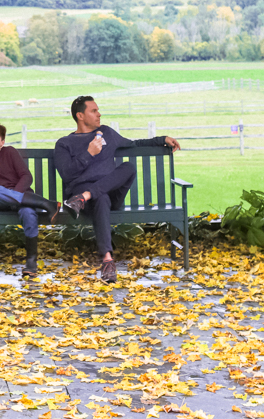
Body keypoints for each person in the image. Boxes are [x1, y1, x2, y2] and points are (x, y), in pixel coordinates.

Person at [53, 96, 181, 283]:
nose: (99, 114)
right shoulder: (64, 143)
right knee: (101, 198)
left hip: (106, 195)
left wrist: (163, 139)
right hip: (89, 202)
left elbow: (134, 144)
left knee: (128, 167)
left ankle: (85, 196)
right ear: (80, 115)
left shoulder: (107, 133)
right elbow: (66, 174)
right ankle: (107, 260)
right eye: (93, 111)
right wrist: (89, 154)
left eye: (98, 110)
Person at [0, 121, 60, 278]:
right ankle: (46, 204)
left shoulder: (10, 152)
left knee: (29, 214)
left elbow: (26, 176)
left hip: (22, 198)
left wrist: (16, 197)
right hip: (2, 201)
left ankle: (31, 262)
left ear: (2, 142)